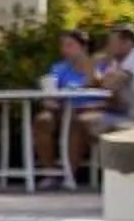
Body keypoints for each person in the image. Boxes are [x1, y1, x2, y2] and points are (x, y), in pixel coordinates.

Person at [69, 22, 134, 178]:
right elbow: (100, 86)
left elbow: (108, 84)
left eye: (112, 42)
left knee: (82, 122)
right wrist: (92, 65)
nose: (108, 47)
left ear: (126, 42)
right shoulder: (123, 62)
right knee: (82, 118)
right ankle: (81, 174)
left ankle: (74, 175)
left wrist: (97, 63)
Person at [33, 30, 97, 183]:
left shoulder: (96, 67)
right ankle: (50, 173)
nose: (64, 50)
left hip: (87, 110)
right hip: (61, 110)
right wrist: (49, 98)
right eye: (62, 46)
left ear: (84, 47)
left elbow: (101, 89)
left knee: (76, 122)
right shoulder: (59, 68)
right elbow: (51, 87)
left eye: (69, 45)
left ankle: (69, 175)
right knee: (42, 120)